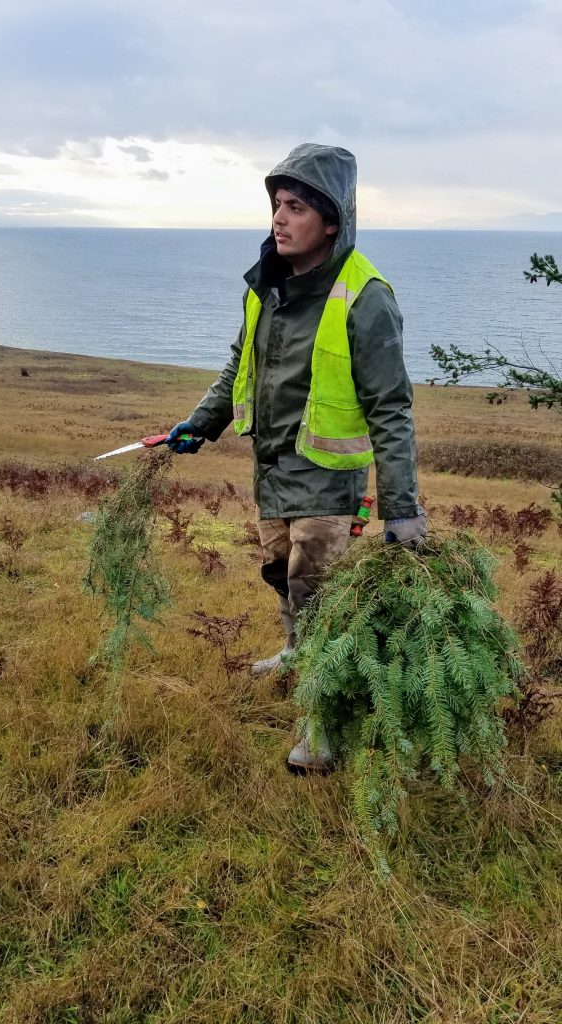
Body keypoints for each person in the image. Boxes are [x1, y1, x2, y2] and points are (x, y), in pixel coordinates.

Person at [166, 143, 425, 770]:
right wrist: (200, 424)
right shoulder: (266, 287)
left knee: (319, 593)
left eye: (296, 208)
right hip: (274, 470)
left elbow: (391, 407)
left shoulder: (366, 297)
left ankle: (325, 727)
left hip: (329, 480)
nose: (279, 220)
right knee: (282, 575)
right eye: (277, 206)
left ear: (331, 221)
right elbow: (239, 366)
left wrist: (402, 510)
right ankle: (294, 652)